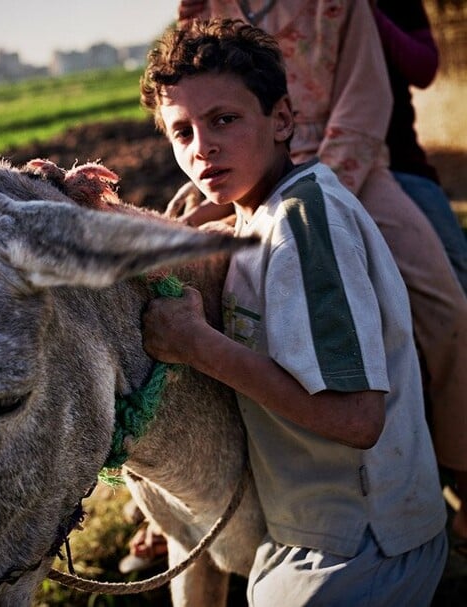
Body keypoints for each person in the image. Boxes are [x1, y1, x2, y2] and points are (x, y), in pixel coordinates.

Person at [139, 19, 448, 605]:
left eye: (224, 120)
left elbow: (358, 419)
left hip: (362, 548)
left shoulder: (306, 226)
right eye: (182, 132)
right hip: (309, 535)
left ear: (281, 120)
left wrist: (198, 345)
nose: (202, 147)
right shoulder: (263, 214)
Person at [371, 0, 467, 296]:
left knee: (455, 269)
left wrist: (365, 14)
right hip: (317, 161)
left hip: (401, 162)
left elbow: (424, 68)